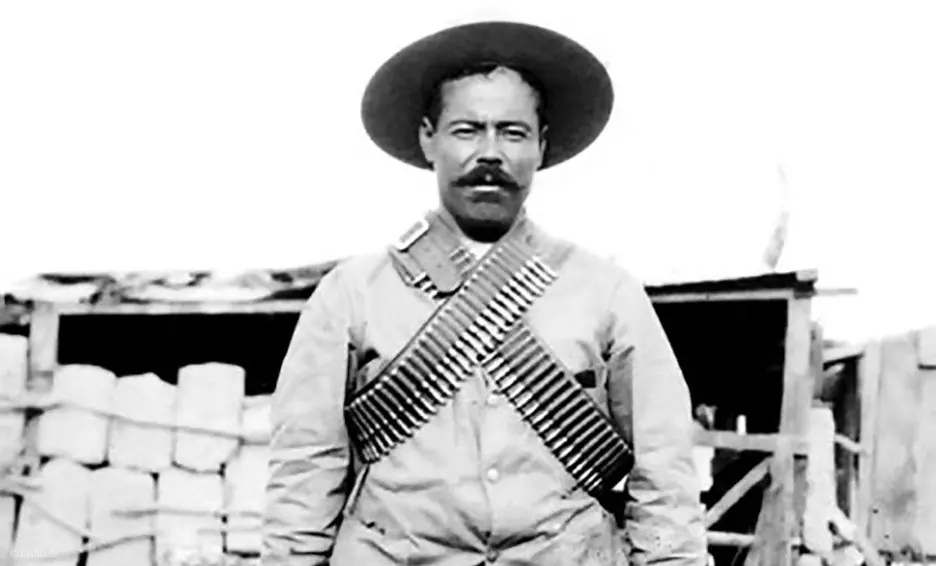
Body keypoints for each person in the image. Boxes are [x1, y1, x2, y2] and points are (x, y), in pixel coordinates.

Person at [262, 20, 707, 566]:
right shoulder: (351, 294)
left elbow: (664, 476)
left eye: (513, 133)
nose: (490, 153)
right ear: (429, 138)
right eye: (467, 130)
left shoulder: (607, 294)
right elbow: (304, 475)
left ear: (541, 146)